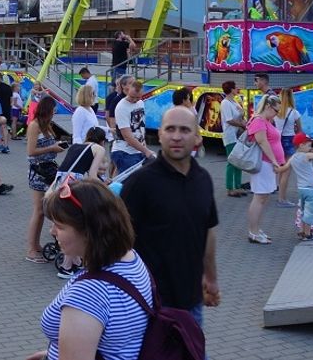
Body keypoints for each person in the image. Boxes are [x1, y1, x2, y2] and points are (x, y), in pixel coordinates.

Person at [121, 106, 220, 329]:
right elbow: (116, 242)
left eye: (184, 130)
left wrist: (211, 278)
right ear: (160, 134)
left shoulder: (203, 179)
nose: (176, 136)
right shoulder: (140, 183)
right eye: (170, 129)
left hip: (191, 302)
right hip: (149, 306)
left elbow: (208, 232)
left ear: (197, 137)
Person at [34, 179, 154, 360]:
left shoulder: (90, 293)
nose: (52, 232)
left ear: (90, 231)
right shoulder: (131, 259)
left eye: (60, 226)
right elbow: (117, 340)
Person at [25, 96, 66, 264]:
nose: (54, 113)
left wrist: (57, 147)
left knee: (43, 210)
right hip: (38, 171)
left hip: (49, 169)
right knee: (39, 211)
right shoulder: (34, 126)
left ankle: (36, 245)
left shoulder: (47, 125)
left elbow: (46, 147)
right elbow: (31, 151)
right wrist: (52, 148)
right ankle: (31, 249)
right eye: (53, 110)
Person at [245, 94, 285, 244]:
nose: (276, 114)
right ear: (268, 106)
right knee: (259, 197)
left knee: (263, 198)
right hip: (264, 164)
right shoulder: (259, 121)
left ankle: (255, 229)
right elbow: (262, 142)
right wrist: (275, 161)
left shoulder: (265, 121)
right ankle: (253, 231)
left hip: (267, 164)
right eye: (276, 110)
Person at [274, 133, 313, 241]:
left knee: (303, 210)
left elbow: (283, 169)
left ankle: (301, 230)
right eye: (309, 145)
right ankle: (307, 233)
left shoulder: (293, 157)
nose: (310, 147)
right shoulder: (306, 156)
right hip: (311, 189)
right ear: (301, 145)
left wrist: (276, 169)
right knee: (310, 212)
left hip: (301, 189)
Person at [110, 78, 155, 174]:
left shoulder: (141, 103)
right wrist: (146, 151)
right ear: (127, 90)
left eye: (138, 97)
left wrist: (144, 148)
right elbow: (127, 136)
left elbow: (141, 129)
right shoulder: (121, 107)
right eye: (132, 97)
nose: (134, 100)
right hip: (124, 152)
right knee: (128, 184)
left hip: (138, 151)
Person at [273, 88, 302, 207]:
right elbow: (300, 130)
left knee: (281, 168)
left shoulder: (277, 112)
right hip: (290, 140)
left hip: (278, 140)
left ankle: (280, 195)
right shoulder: (294, 112)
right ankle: (282, 199)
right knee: (286, 171)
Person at [220, 81, 248, 197]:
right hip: (230, 135)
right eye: (235, 87)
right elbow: (229, 120)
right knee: (232, 161)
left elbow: (239, 116)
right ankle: (230, 188)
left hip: (238, 135)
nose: (237, 89)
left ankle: (237, 185)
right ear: (231, 89)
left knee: (238, 161)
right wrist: (242, 125)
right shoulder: (225, 103)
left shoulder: (234, 101)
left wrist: (242, 116)